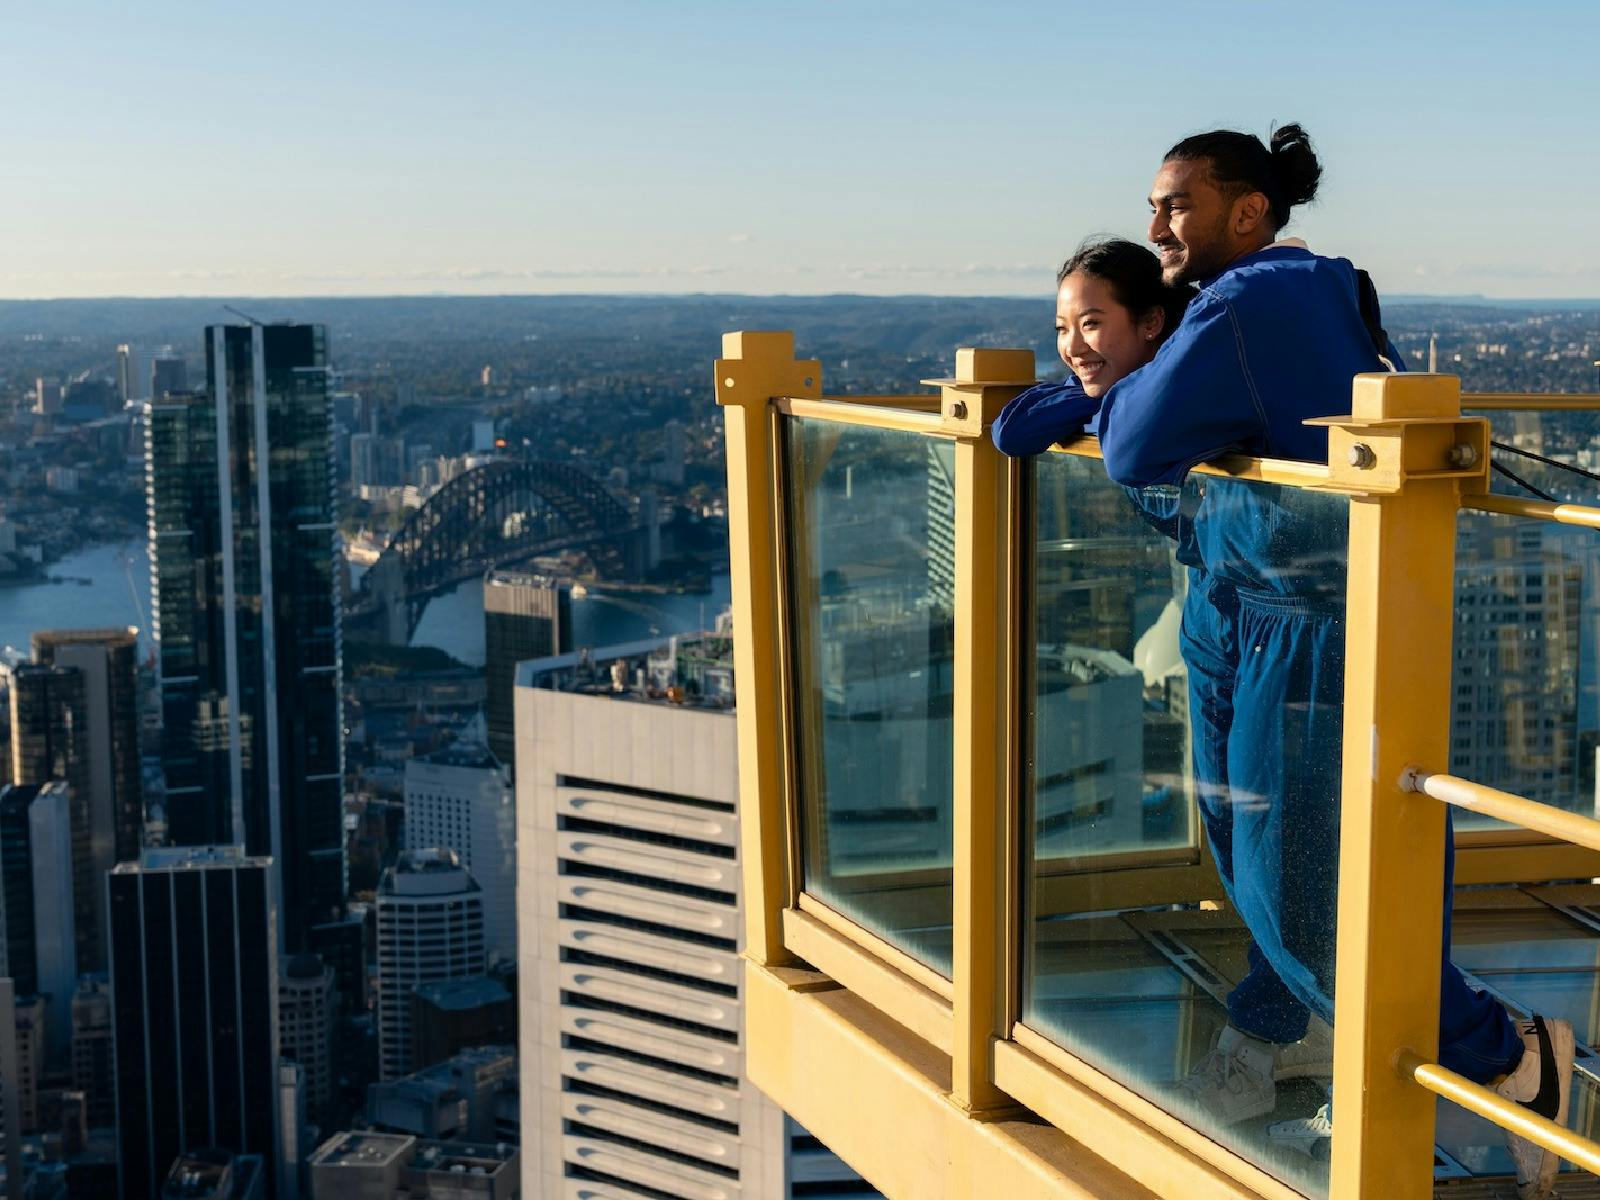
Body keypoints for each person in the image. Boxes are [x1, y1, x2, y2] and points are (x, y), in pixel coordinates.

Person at [1012, 126, 1572, 1198]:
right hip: (1244, 602)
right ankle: (1295, 1024)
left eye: (1176, 204)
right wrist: (1092, 391)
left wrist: (1088, 403)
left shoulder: (1249, 300)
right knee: (1248, 848)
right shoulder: (1262, 299)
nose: (1156, 224)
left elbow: (1128, 444)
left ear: (1247, 211)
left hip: (1304, 615)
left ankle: (1503, 1051)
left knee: (1298, 887)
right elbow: (1053, 420)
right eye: (1153, 205)